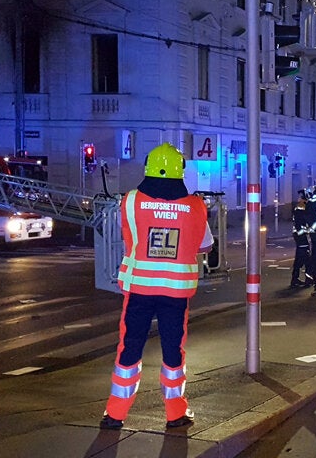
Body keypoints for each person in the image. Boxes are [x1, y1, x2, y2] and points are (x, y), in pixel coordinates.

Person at [100, 143, 214, 430]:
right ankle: (175, 412)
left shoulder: (130, 201)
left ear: (148, 168)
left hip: (139, 289)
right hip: (175, 292)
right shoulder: (196, 206)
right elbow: (206, 245)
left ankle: (115, 414)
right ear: (180, 171)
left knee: (129, 348)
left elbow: (124, 232)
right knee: (173, 350)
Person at [289, 190, 312, 289]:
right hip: (302, 237)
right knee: (306, 259)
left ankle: (295, 279)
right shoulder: (302, 208)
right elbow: (303, 224)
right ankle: (308, 279)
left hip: (300, 237)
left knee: (299, 258)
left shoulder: (299, 207)